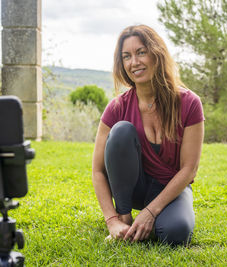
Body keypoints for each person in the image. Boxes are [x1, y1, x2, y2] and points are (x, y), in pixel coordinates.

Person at [92, 25, 204, 245]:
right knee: (122, 130)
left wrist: (151, 212)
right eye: (127, 56)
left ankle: (154, 219)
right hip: (132, 189)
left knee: (175, 234)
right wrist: (112, 220)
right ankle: (126, 218)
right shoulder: (116, 108)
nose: (134, 62)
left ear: (157, 54)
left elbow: (189, 168)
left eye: (141, 52)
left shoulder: (190, 103)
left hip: (170, 188)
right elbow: (97, 171)